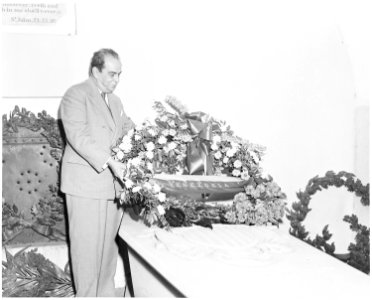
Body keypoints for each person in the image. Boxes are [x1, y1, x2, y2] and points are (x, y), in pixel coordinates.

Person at [59, 48, 135, 297]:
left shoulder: (115, 101)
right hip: (84, 185)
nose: (116, 80)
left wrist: (150, 140)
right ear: (95, 71)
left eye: (119, 74)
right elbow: (78, 136)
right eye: (112, 74)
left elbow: (127, 129)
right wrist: (111, 162)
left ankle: (105, 295)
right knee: (87, 248)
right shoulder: (76, 95)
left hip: (111, 187)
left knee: (107, 249)